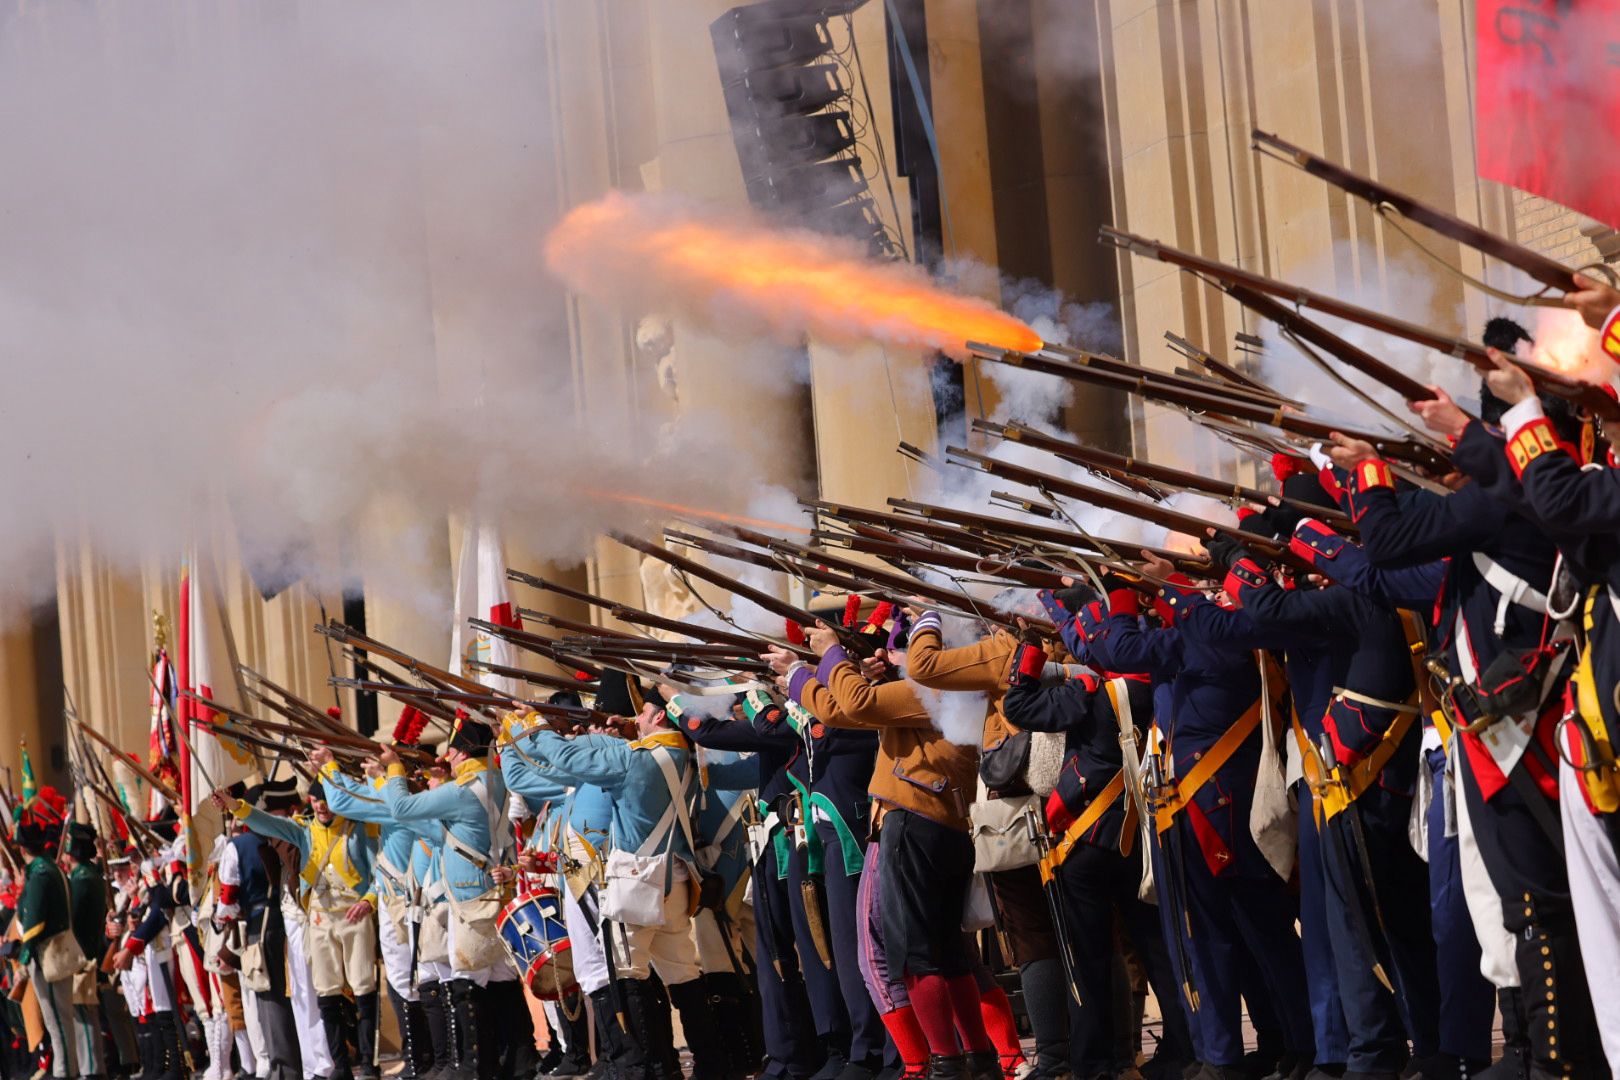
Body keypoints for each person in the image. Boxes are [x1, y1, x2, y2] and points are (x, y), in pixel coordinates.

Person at [378, 712, 534, 1080]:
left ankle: (475, 1066)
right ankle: (518, 1061)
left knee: (467, 983)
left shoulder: (462, 791)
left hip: (469, 900)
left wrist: (393, 769)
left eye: (452, 750)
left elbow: (400, 808)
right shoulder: (496, 781)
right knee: (500, 980)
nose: (448, 756)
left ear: (462, 752)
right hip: (495, 893)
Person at [220, 771, 383, 1080]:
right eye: (317, 800)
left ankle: (368, 1064)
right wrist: (235, 805)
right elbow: (267, 823)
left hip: (354, 914)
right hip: (319, 918)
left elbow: (379, 871)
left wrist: (369, 900)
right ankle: (340, 1068)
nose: (321, 806)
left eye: (327, 801)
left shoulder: (357, 829)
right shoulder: (304, 831)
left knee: (363, 988)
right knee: (326, 993)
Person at [16, 813, 88, 1080]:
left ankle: (64, 1073)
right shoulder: (49, 869)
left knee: (57, 1021)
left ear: (22, 849)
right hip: (55, 950)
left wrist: (24, 960)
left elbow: (33, 920)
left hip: (47, 954)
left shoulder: (40, 875)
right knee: (61, 1020)